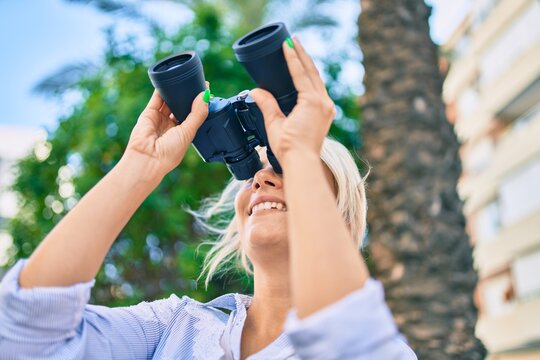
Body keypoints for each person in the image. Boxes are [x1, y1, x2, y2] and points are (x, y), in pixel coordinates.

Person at [0, 36, 417, 359]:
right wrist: (140, 167)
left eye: (288, 170)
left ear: (339, 215)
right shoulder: (175, 326)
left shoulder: (379, 344)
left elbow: (356, 343)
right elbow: (25, 339)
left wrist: (301, 153)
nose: (260, 181)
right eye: (253, 174)